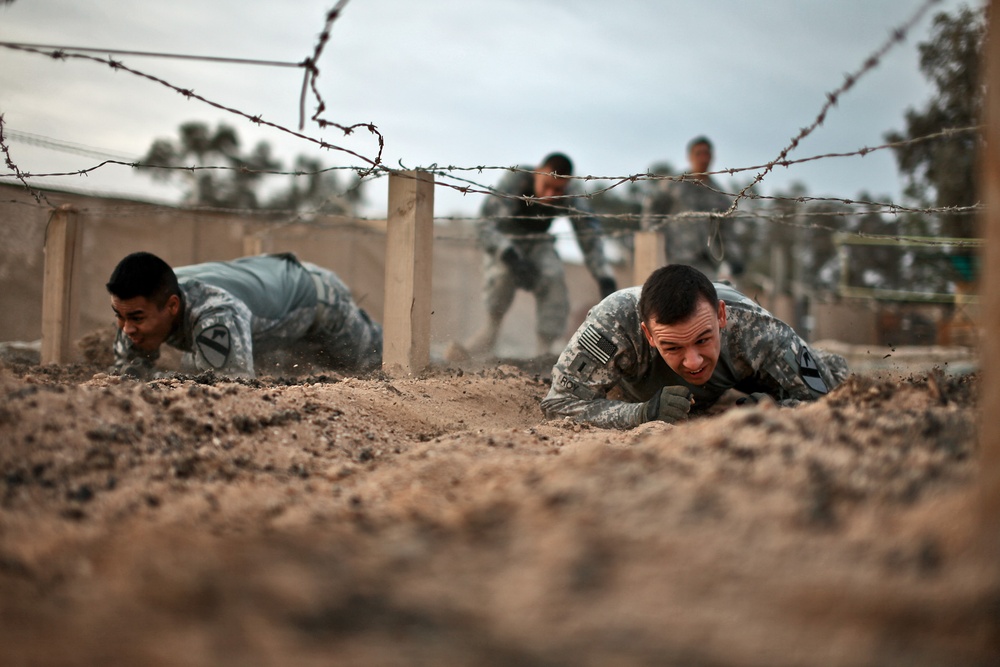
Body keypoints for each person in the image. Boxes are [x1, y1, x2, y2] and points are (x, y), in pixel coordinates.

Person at [541, 264, 848, 430]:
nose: (692, 362)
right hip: (639, 388)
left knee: (833, 371)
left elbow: (826, 402)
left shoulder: (759, 329)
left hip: (743, 368)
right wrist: (641, 414)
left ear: (721, 316)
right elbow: (559, 403)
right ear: (648, 335)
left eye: (703, 339)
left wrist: (777, 410)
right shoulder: (615, 323)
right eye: (673, 346)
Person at [106, 251, 382, 379]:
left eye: (136, 319)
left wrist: (155, 379)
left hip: (317, 295)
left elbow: (228, 386)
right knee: (196, 363)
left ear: (173, 306)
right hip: (267, 284)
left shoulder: (216, 314)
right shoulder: (137, 307)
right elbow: (127, 372)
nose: (126, 329)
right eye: (119, 316)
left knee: (374, 362)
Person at [465, 152, 618, 357]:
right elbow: (484, 225)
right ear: (537, 172)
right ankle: (490, 331)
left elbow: (588, 235)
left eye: (558, 190)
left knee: (553, 276)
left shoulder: (571, 192)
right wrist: (510, 256)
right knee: (502, 276)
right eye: (546, 185)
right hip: (506, 240)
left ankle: (544, 350)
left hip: (539, 241)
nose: (551, 194)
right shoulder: (516, 180)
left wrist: (604, 276)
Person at [640, 136, 743, 281]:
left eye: (706, 154)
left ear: (712, 157)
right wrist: (651, 238)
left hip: (708, 261)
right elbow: (652, 208)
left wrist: (734, 258)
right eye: (698, 153)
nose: (702, 158)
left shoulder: (719, 194)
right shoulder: (675, 185)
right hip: (674, 257)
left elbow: (727, 231)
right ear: (689, 157)